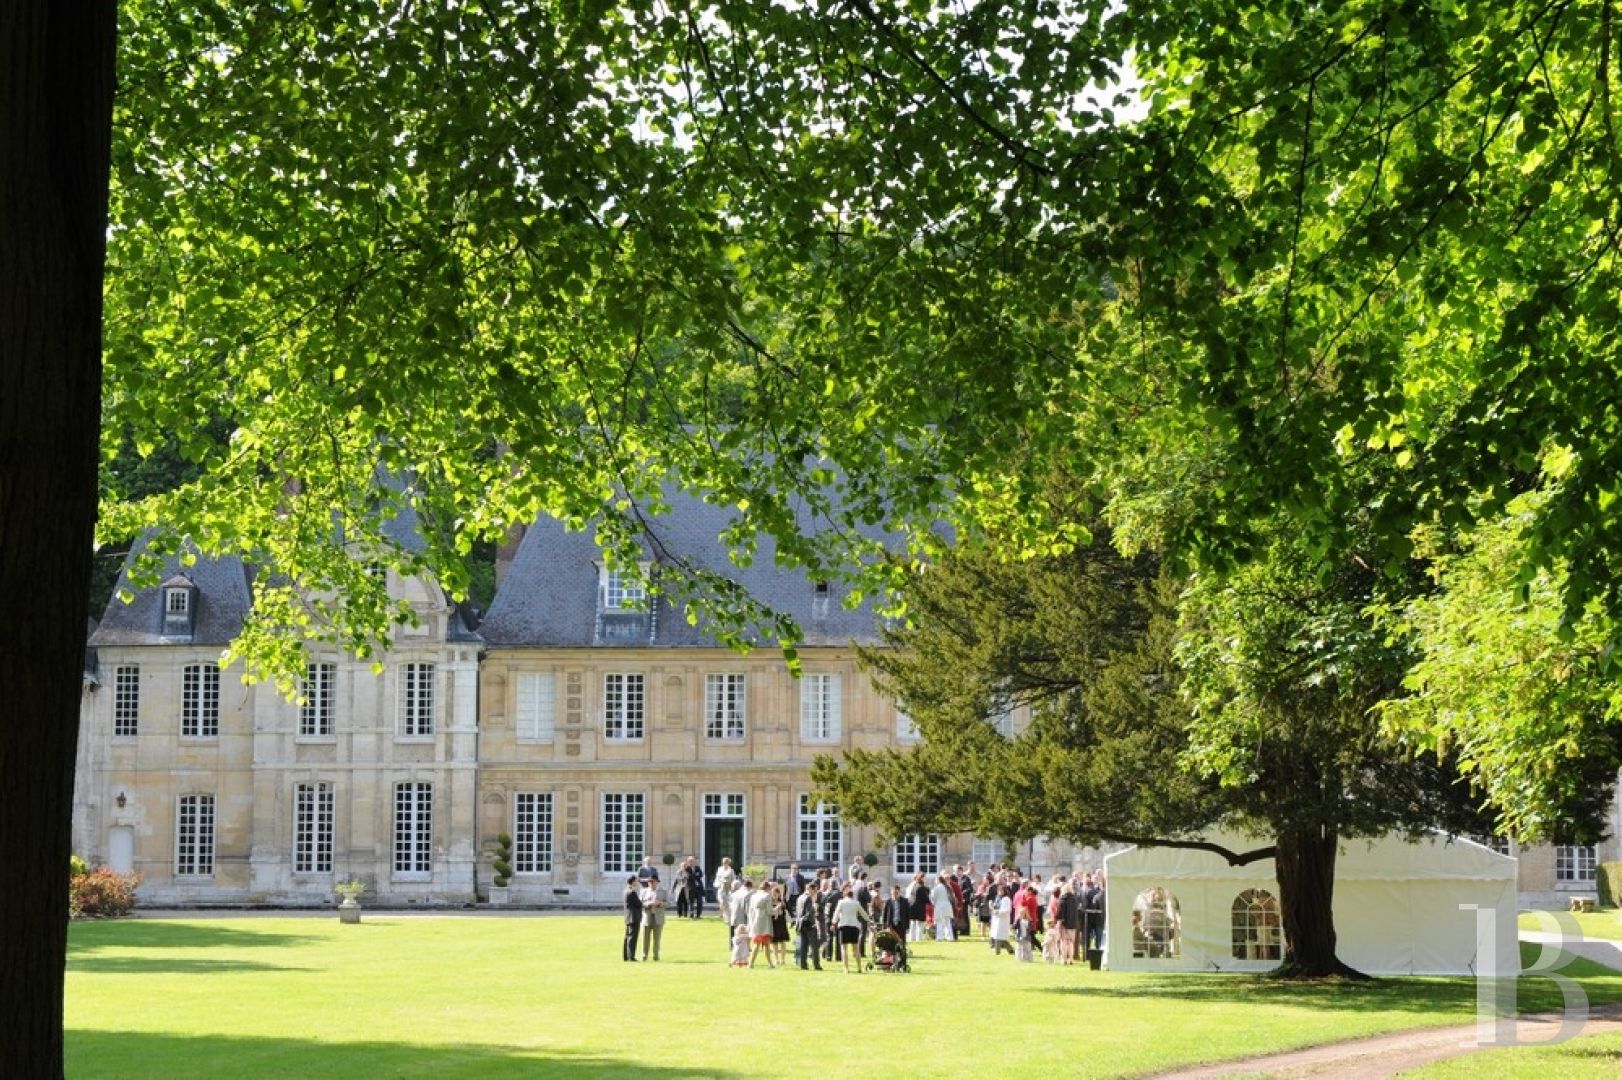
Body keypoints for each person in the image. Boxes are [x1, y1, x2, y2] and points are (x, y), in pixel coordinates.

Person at [833, 884, 870, 973]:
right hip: (854, 926)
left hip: (844, 926)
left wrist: (833, 922)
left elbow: (836, 913)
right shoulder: (856, 903)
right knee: (856, 948)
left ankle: (846, 968)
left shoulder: (841, 902)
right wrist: (869, 920)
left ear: (845, 894)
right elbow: (864, 914)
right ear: (852, 895)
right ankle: (859, 967)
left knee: (844, 948)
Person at [795, 880, 824, 970]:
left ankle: (803, 964)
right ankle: (816, 965)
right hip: (809, 924)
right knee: (814, 946)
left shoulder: (800, 897)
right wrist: (814, 909)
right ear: (811, 889)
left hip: (800, 923)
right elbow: (808, 913)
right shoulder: (808, 898)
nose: (816, 892)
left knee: (804, 945)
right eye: (815, 890)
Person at [747, 880, 776, 968]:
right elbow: (770, 911)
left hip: (755, 920)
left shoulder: (754, 896)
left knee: (757, 942)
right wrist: (777, 908)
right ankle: (752, 964)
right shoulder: (767, 896)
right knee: (765, 943)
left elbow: (750, 910)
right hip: (764, 922)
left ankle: (754, 963)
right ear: (768, 888)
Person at [640, 876, 667, 961]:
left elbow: (669, 903)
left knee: (657, 938)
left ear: (657, 882)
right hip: (647, 917)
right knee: (645, 938)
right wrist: (648, 903)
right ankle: (644, 956)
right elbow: (640, 903)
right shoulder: (643, 891)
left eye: (653, 882)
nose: (652, 883)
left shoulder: (663, 891)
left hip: (658, 918)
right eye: (650, 882)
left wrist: (659, 903)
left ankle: (656, 956)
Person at [623, 876, 644, 962]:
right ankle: (631, 956)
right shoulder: (632, 892)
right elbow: (639, 904)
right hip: (634, 917)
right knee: (632, 938)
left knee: (628, 937)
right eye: (636, 881)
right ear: (632, 882)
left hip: (628, 917)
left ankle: (626, 956)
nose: (637, 883)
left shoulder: (625, 891)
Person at [769, 882, 791, 967]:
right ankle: (776, 960)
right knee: (774, 943)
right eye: (773, 894)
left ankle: (783, 960)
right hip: (773, 924)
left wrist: (779, 907)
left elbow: (782, 913)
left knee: (782, 942)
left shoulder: (782, 903)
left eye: (776, 894)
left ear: (779, 894)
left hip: (781, 924)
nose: (775, 895)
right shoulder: (769, 902)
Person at [931, 873, 956, 942]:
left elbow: (933, 898)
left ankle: (939, 937)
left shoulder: (936, 888)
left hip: (939, 906)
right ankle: (950, 937)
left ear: (938, 880)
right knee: (948, 922)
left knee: (939, 922)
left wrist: (934, 903)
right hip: (947, 906)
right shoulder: (948, 887)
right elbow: (951, 897)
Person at [989, 884, 1014, 955]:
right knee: (1001, 937)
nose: (999, 892)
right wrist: (991, 906)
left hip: (1003, 920)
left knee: (998, 936)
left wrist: (997, 912)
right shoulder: (998, 898)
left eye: (1001, 890)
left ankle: (997, 952)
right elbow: (995, 907)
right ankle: (1011, 950)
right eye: (998, 890)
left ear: (1004, 891)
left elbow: (1007, 910)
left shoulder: (1006, 899)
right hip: (996, 919)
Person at [907, 872, 930, 943]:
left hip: (912, 906)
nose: (925, 879)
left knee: (912, 923)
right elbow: (925, 898)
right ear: (922, 878)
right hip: (919, 907)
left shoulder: (914, 885)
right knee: (920, 923)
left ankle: (911, 938)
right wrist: (930, 902)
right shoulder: (921, 887)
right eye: (924, 877)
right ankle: (918, 938)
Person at [713, 856, 737, 921]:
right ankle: (722, 913)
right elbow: (717, 877)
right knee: (721, 901)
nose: (724, 863)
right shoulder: (719, 869)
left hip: (728, 888)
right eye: (723, 862)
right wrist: (718, 883)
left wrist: (733, 886)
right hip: (721, 887)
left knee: (727, 902)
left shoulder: (731, 870)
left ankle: (727, 915)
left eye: (726, 862)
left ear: (728, 863)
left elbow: (733, 879)